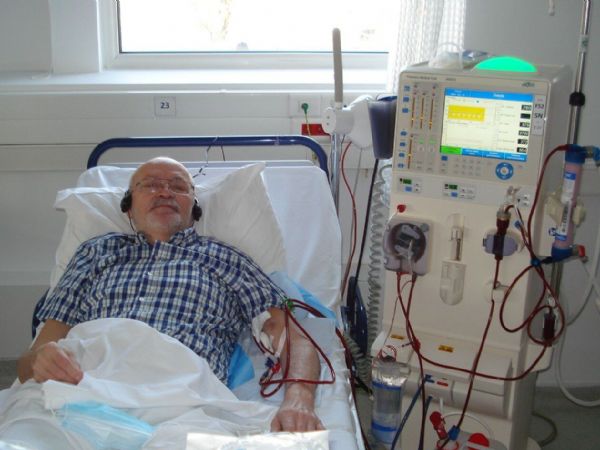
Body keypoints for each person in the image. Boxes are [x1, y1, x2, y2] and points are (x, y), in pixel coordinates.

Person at [16, 156, 323, 433]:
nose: (164, 192)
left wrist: (299, 398)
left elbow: (293, 338)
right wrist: (40, 362)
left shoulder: (228, 259)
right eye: (150, 184)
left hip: (181, 401)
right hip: (81, 389)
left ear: (194, 208)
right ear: (128, 206)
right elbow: (34, 355)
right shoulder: (95, 253)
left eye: (178, 186)